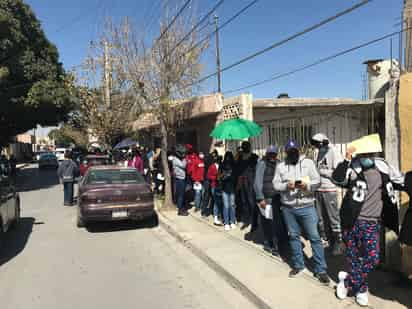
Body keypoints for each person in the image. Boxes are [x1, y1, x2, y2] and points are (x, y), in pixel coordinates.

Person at [332, 146, 403, 307]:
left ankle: (347, 282)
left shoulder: (383, 168)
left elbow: (401, 180)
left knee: (372, 258)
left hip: (372, 223)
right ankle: (361, 289)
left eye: (369, 154)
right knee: (353, 257)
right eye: (363, 154)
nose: (366, 157)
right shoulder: (353, 167)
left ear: (375, 154)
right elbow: (337, 179)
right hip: (353, 221)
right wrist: (346, 159)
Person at [273, 140, 330, 284]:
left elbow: (317, 181)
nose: (293, 153)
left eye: (295, 151)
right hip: (288, 208)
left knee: (315, 238)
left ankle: (320, 270)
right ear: (286, 153)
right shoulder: (281, 166)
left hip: (307, 207)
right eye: (290, 151)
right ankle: (299, 265)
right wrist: (287, 186)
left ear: (299, 150)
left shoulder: (308, 163)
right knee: (293, 237)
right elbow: (275, 184)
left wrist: (307, 186)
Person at [311, 133, 344, 255]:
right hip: (318, 189)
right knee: (321, 219)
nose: (316, 148)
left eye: (318, 145)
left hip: (330, 189)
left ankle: (338, 243)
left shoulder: (333, 151)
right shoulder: (318, 152)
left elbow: (338, 171)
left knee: (333, 218)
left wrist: (322, 172)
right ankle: (329, 242)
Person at [254, 145, 287, 256]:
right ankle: (270, 244)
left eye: (274, 154)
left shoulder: (279, 163)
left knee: (278, 223)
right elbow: (257, 182)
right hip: (266, 198)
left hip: (277, 197)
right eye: (270, 154)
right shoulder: (261, 164)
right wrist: (260, 198)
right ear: (267, 154)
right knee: (268, 223)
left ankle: (279, 244)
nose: (272, 156)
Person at [234, 141, 259, 231]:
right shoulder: (239, 157)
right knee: (244, 201)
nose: (244, 148)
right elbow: (235, 165)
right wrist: (237, 154)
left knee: (251, 201)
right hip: (242, 180)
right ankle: (247, 219)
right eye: (243, 146)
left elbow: (256, 168)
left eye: (246, 146)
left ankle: (254, 222)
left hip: (251, 181)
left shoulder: (254, 157)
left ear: (249, 147)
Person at [220, 151, 237, 231]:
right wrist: (224, 175)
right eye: (227, 157)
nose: (228, 158)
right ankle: (226, 223)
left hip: (232, 189)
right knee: (226, 206)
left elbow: (236, 178)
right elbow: (219, 177)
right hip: (224, 189)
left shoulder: (234, 166)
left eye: (229, 157)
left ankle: (232, 221)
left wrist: (231, 175)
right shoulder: (222, 165)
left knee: (232, 206)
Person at [201, 150, 218, 217]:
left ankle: (205, 211)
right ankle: (207, 211)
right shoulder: (210, 160)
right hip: (208, 180)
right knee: (209, 196)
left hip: (208, 180)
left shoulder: (207, 160)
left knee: (208, 196)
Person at [172, 145, 188, 216]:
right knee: (180, 195)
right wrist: (185, 159)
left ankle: (182, 208)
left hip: (182, 178)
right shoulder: (175, 159)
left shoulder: (178, 159)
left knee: (182, 194)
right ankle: (180, 210)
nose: (183, 155)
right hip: (179, 179)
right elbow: (183, 165)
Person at [207, 154, 223, 225]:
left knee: (221, 202)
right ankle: (216, 217)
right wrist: (215, 178)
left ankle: (220, 215)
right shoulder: (212, 166)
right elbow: (208, 176)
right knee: (216, 202)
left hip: (221, 186)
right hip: (214, 185)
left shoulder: (222, 166)